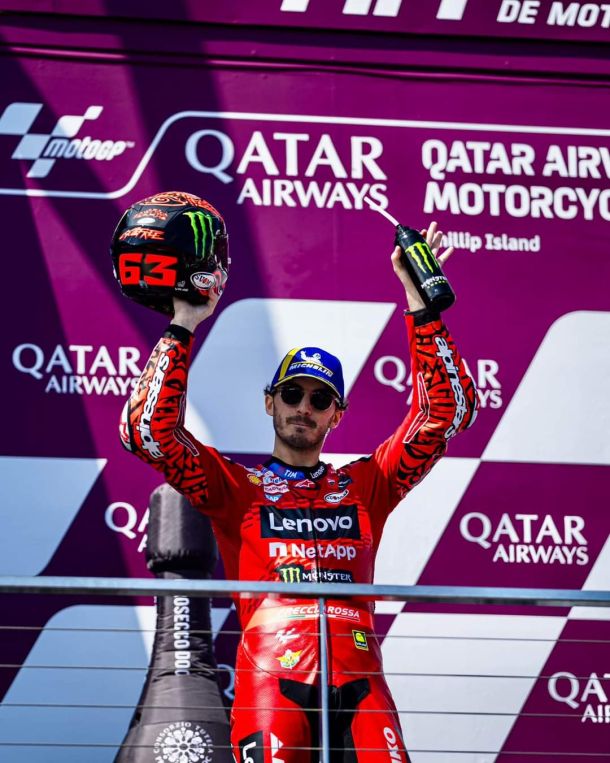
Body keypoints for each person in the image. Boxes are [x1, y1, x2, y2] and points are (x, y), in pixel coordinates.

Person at [119, 222, 478, 762]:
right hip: (270, 681)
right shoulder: (234, 487)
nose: (304, 408)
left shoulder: (367, 485)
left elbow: (446, 415)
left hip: (362, 682)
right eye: (292, 394)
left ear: (337, 415)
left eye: (320, 399)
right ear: (271, 402)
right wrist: (184, 322)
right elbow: (145, 432)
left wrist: (421, 307)